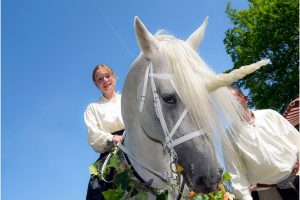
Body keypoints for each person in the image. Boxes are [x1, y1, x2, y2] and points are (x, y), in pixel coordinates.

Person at [224, 85, 300, 200]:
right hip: (267, 193)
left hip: (295, 178)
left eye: (232, 100)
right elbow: (236, 173)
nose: (230, 105)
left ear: (245, 99)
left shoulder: (270, 115)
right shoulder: (229, 136)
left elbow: (296, 139)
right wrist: (245, 197)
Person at [84, 64, 124, 200]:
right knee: (96, 186)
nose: (105, 80)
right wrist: (113, 138)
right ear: (96, 84)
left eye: (107, 76)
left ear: (114, 77)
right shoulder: (93, 108)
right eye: (100, 79)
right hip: (111, 150)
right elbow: (94, 135)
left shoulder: (127, 98)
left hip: (136, 142)